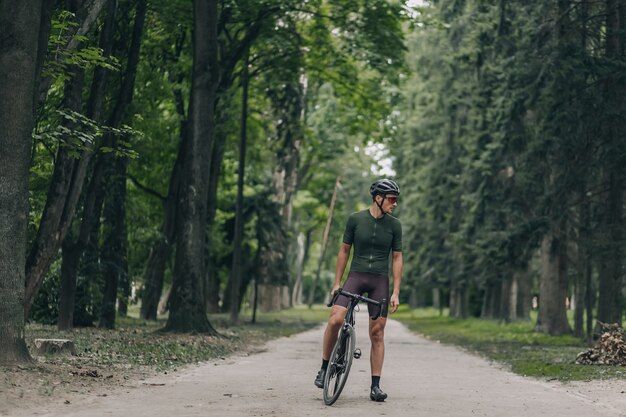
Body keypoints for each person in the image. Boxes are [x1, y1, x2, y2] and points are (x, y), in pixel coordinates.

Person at [314, 178, 403, 402]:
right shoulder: (355, 220)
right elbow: (344, 251)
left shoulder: (395, 226)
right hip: (356, 276)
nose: (395, 204)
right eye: (392, 199)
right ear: (378, 198)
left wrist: (396, 292)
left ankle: (375, 386)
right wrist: (337, 283)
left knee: (377, 332)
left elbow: (397, 258)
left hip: (379, 281)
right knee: (335, 319)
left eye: (396, 200)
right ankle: (324, 368)